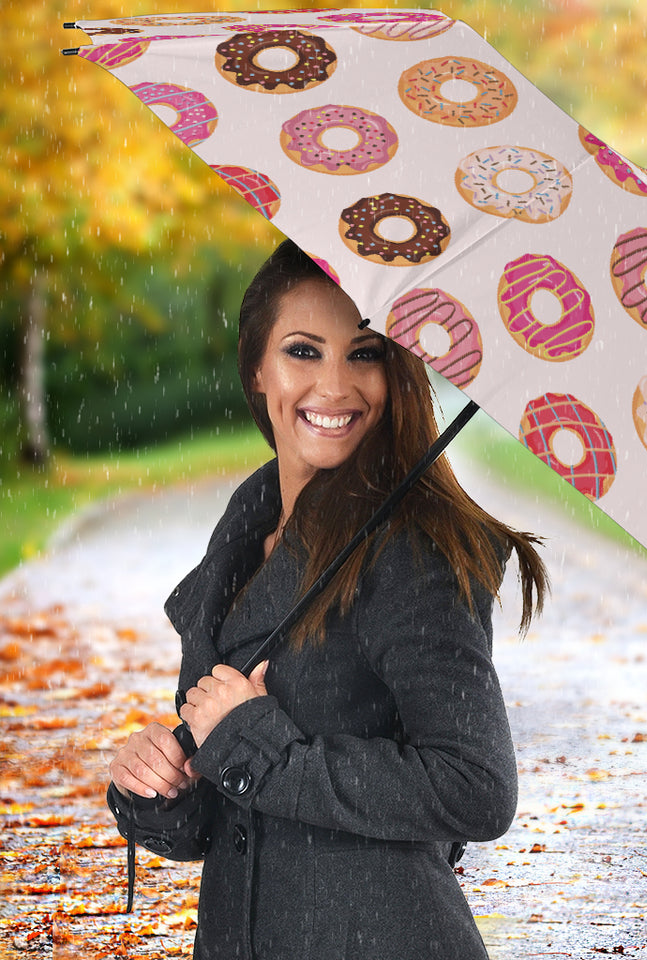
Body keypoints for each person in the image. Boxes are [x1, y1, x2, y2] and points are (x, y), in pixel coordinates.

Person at [107, 240, 548, 959]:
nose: (336, 386)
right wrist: (167, 785)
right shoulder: (241, 545)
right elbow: (235, 811)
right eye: (304, 352)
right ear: (257, 369)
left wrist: (259, 747)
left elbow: (477, 788)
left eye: (365, 353)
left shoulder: (411, 552)